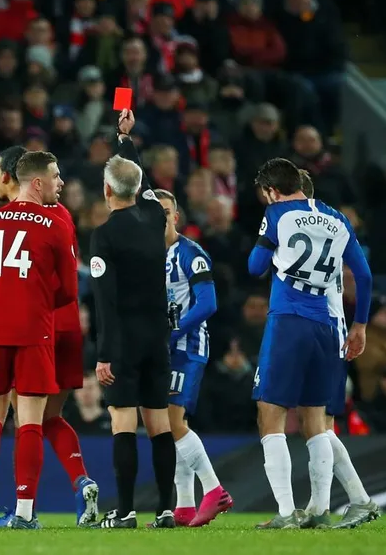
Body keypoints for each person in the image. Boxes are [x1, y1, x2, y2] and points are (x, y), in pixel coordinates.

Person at [248, 158, 372, 529]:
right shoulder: (337, 218)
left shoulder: (277, 214)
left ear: (272, 191)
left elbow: (255, 267)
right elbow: (364, 276)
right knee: (317, 420)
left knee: (270, 412)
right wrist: (361, 325)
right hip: (330, 326)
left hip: (289, 320)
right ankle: (320, 510)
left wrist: (270, 248)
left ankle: (287, 512)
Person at [0, 145, 100, 529]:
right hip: (65, 325)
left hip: (34, 326)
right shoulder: (59, 215)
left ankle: (23, 508)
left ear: (11, 176)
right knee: (49, 417)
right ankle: (81, 481)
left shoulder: (9, 221)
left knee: (26, 418)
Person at [90, 109, 176, 529]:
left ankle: (124, 511)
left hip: (123, 340)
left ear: (107, 189)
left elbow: (104, 301)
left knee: (123, 421)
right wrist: (125, 140)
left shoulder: (104, 235)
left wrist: (104, 354)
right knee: (159, 422)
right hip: (157, 338)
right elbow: (140, 182)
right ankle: (166, 509)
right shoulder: (156, 216)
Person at [298, 175, 379, 529]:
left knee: (317, 421)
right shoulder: (333, 224)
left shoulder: (298, 227)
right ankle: (347, 501)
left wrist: (360, 325)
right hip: (332, 328)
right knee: (319, 423)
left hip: (323, 329)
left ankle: (332, 505)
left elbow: (364, 275)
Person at [156, 188, 231, 527]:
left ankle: (214, 490)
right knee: (172, 424)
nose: (160, 218)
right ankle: (185, 505)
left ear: (176, 216)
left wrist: (174, 333)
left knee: (172, 420)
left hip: (187, 347)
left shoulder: (191, 253)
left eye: (165, 211)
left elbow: (208, 303)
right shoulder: (148, 256)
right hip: (164, 348)